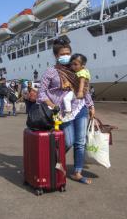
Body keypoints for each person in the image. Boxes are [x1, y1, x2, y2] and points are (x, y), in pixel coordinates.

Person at [38, 37, 95, 185]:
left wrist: (91, 106)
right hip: (63, 112)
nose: (66, 56)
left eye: (68, 53)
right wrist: (52, 105)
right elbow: (41, 93)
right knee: (68, 141)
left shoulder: (75, 69)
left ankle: (77, 172)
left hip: (80, 108)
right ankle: (53, 161)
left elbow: (84, 88)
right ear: (56, 56)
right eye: (63, 54)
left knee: (80, 142)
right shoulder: (50, 72)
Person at [62, 53, 91, 121]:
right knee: (67, 99)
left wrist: (80, 92)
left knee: (66, 99)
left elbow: (82, 82)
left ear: (83, 65)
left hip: (79, 91)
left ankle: (69, 114)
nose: (73, 66)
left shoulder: (82, 72)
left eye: (75, 64)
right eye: (72, 64)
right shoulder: (80, 71)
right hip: (77, 90)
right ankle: (69, 113)